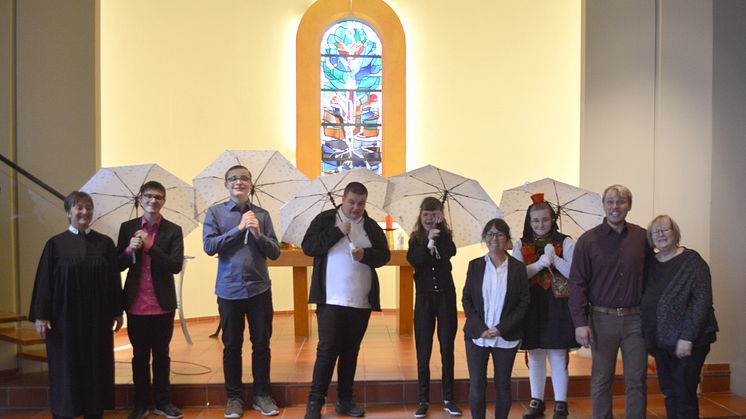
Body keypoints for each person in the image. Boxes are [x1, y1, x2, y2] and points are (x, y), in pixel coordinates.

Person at [29, 191, 123, 419]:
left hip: (96, 319)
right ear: (68, 212)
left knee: (95, 363)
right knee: (65, 366)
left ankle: (93, 411)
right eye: (79, 207)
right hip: (64, 320)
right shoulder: (56, 244)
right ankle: (65, 411)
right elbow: (44, 281)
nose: (84, 212)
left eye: (88, 207)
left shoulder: (104, 243)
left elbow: (113, 280)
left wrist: (117, 311)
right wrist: (41, 315)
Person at [301, 181, 391, 419]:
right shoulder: (325, 220)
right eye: (352, 202)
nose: (356, 208)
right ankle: (314, 403)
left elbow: (384, 255)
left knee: (351, 352)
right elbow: (309, 246)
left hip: (360, 301)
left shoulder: (371, 226)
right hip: (331, 299)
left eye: (361, 203)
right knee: (327, 351)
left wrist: (366, 254)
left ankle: (345, 400)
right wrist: (337, 231)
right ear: (343, 198)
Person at [203, 165, 281, 418]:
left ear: (251, 185)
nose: (239, 182)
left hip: (259, 289)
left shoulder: (262, 214)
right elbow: (209, 246)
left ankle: (261, 395)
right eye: (234, 178)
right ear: (227, 184)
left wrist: (258, 233)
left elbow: (275, 252)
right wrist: (237, 230)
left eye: (244, 178)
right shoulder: (215, 212)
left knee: (261, 344)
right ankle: (234, 397)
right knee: (231, 345)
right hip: (229, 289)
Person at [568, 184, 652, 419]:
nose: (616, 206)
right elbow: (577, 284)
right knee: (602, 378)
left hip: (636, 319)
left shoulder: (641, 237)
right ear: (603, 206)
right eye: (611, 201)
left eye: (621, 201)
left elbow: (653, 276)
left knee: (637, 379)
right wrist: (579, 322)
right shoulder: (587, 240)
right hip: (600, 319)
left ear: (629, 206)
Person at [117, 181, 184, 419]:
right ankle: (141, 404)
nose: (153, 201)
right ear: (140, 199)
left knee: (162, 354)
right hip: (136, 303)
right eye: (148, 196)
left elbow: (175, 266)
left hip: (162, 303)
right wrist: (129, 250)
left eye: (158, 197)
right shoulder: (127, 228)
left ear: (163, 201)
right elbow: (117, 264)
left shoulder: (173, 230)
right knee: (140, 356)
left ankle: (163, 403)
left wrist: (150, 246)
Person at [641, 215, 718, 419]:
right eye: (655, 232)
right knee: (669, 391)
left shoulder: (692, 261)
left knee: (684, 392)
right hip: (661, 341)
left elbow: (702, 301)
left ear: (675, 233)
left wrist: (687, 337)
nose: (661, 235)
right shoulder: (650, 264)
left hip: (690, 341)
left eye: (665, 230)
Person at [512, 194, 577, 419]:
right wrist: (540, 263)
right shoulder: (520, 244)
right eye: (536, 221)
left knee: (558, 353)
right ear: (529, 222)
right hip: (531, 305)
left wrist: (556, 260)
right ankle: (536, 401)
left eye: (545, 220)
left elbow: (576, 274)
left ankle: (561, 403)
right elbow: (517, 276)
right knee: (536, 353)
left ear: (553, 220)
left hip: (558, 304)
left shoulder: (566, 242)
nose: (541, 225)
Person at [462, 218, 530, 419]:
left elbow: (523, 303)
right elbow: (467, 299)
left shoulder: (517, 268)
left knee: (503, 385)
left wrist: (501, 328)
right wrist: (480, 327)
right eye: (490, 234)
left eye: (500, 234)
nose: (494, 238)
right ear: (484, 238)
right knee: (477, 386)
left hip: (506, 336)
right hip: (477, 336)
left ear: (507, 239)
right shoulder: (475, 266)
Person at [406, 197, 462, 417]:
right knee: (423, 348)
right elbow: (417, 261)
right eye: (426, 215)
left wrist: (438, 233)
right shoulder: (415, 239)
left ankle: (448, 399)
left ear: (441, 215)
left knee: (447, 346)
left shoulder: (445, 237)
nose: (430, 219)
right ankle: (423, 400)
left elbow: (450, 252)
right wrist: (428, 241)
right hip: (424, 299)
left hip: (446, 298)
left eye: (434, 214)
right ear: (421, 216)